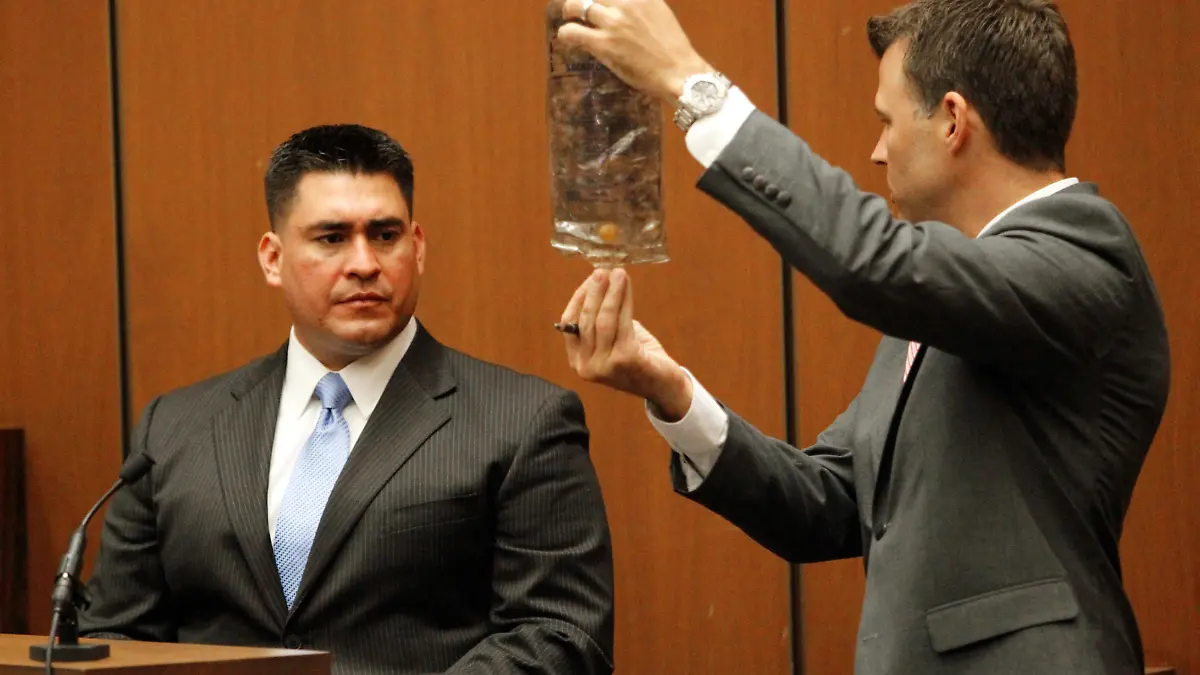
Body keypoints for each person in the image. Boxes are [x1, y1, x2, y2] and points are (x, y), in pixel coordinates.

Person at [553, 0, 1169, 673]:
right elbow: (830, 504)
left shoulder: (1086, 251)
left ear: (954, 121)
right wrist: (670, 390)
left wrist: (690, 82)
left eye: (885, 120)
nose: (876, 150)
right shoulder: (951, 298)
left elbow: (874, 266)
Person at [79, 124, 615, 675]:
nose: (364, 263)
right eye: (331, 237)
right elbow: (115, 635)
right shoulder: (173, 429)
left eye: (385, 235)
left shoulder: (522, 421)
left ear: (418, 246)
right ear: (272, 257)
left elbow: (561, 635)